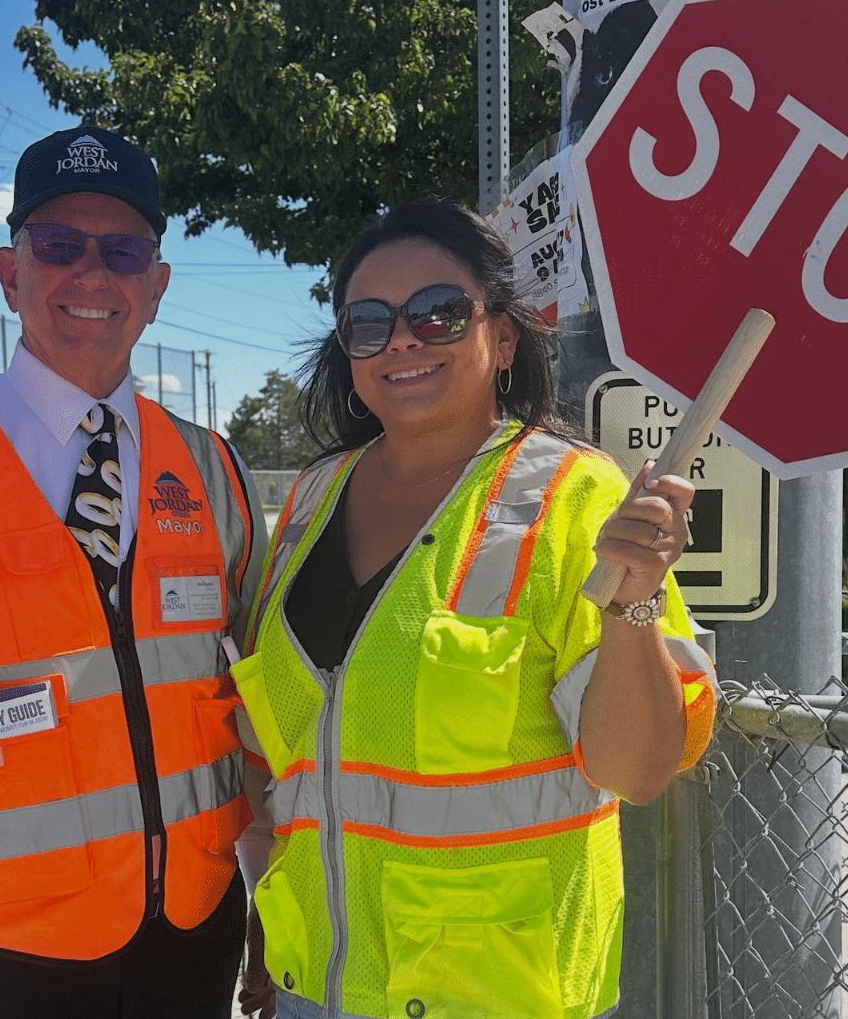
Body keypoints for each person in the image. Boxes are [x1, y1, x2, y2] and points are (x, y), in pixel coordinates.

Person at [232, 203, 717, 1019]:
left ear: (503, 340)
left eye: (439, 313)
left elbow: (635, 774)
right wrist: (261, 924)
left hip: (498, 997)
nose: (404, 341)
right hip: (312, 983)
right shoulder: (315, 499)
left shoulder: (577, 499)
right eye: (369, 323)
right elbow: (284, 759)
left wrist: (632, 604)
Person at [0, 125, 269, 1018]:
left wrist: (269, 903)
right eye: (58, 246)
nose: (92, 275)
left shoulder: (215, 470)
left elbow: (251, 714)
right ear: (10, 272)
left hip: (190, 936)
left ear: (157, 285)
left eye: (123, 250)